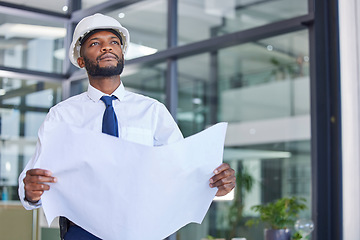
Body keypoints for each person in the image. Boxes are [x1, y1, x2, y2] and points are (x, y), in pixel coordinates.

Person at [18, 13, 236, 239]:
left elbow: (181, 169)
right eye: (95, 43)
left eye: (114, 42)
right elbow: (33, 180)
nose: (106, 48)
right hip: (82, 231)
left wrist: (215, 184)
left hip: (142, 230)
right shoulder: (61, 116)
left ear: (122, 54)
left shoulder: (152, 111)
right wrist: (31, 192)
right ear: (81, 60)